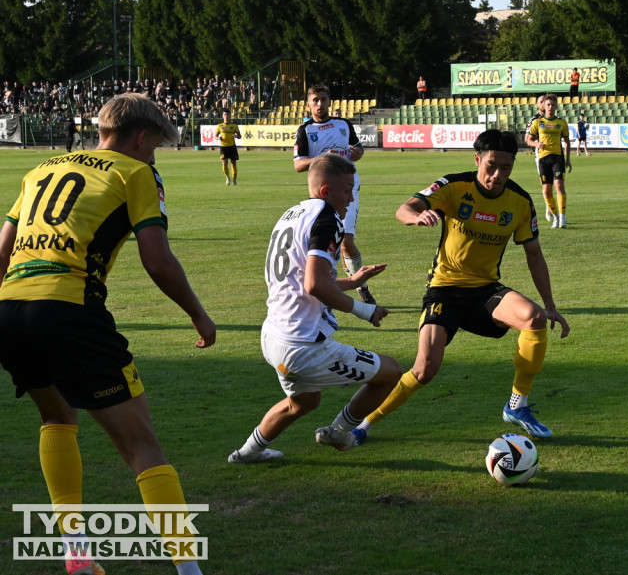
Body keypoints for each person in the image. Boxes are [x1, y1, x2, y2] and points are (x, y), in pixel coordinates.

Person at [0, 93, 216, 575]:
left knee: (57, 416)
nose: (155, 155)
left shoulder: (41, 169)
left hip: (10, 308)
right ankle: (188, 570)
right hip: (68, 309)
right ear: (142, 136)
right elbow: (157, 259)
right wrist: (199, 316)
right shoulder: (136, 172)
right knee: (142, 445)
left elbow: (2, 249)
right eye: (156, 145)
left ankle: (76, 552)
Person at [352, 129, 569, 442]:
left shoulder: (520, 202)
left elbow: (534, 254)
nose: (497, 175)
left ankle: (516, 405)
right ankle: (364, 424)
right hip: (444, 290)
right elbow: (405, 209)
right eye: (491, 165)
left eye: (505, 168)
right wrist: (417, 216)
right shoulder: (454, 186)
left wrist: (550, 307)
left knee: (534, 318)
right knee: (425, 369)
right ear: (477, 159)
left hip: (485, 291)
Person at [229, 153, 401, 462]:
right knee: (391, 373)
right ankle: (338, 432)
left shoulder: (293, 213)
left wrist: (352, 280)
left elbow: (303, 280)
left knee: (304, 402)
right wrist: (366, 311)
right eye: (347, 189)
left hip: (274, 335)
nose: (351, 197)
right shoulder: (328, 217)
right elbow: (315, 285)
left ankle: (246, 453)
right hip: (303, 344)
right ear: (325, 191)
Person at [294, 84, 376, 304]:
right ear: (309, 104)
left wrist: (358, 153)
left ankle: (361, 287)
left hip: (348, 187)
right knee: (325, 240)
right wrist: (323, 158)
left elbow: (357, 149)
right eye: (315, 100)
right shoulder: (305, 130)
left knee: (346, 240)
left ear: (329, 102)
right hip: (321, 193)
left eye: (323, 99)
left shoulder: (343, 124)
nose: (320, 104)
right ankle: (327, 285)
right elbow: (299, 165)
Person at [526, 94, 572, 229]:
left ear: (556, 106)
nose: (550, 107)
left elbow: (567, 142)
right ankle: (555, 217)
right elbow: (528, 140)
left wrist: (568, 160)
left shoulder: (561, 123)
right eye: (548, 105)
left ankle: (563, 217)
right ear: (543, 106)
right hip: (543, 159)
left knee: (559, 186)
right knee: (546, 190)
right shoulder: (537, 122)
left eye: (553, 105)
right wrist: (537, 145)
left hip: (557, 158)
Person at [215, 109, 242, 185]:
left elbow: (240, 136)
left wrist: (236, 136)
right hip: (223, 147)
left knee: (233, 163)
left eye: (227, 114)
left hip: (232, 147)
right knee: (224, 163)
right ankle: (227, 177)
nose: (226, 116)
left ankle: (234, 179)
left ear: (230, 116)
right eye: (224, 115)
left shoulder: (234, 126)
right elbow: (215, 136)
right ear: (222, 116)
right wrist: (219, 138)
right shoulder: (220, 126)